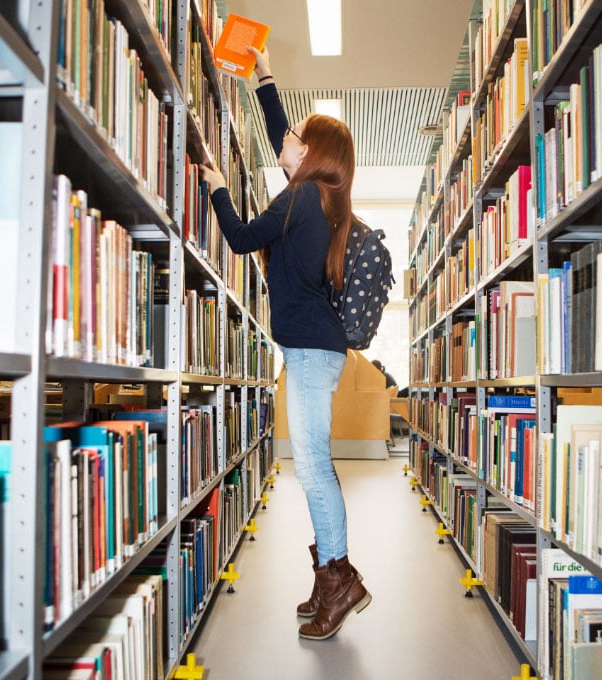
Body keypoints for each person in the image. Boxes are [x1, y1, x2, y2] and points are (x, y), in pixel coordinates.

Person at [199, 46, 371, 640]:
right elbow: (281, 138)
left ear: (312, 154)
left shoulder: (298, 200)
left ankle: (341, 580)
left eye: (298, 137)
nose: (287, 139)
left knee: (314, 467)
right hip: (317, 348)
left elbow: (244, 238)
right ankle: (328, 577)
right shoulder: (322, 201)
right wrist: (264, 75)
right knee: (313, 464)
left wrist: (219, 188)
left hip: (307, 351)